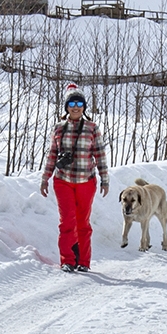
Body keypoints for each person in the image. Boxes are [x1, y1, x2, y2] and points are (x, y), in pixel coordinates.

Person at [40, 84, 110, 272]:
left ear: (84, 106)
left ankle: (84, 261)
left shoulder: (92, 128)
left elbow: (100, 155)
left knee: (83, 223)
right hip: (63, 181)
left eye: (79, 102)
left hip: (86, 181)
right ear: (66, 106)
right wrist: (45, 178)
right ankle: (67, 260)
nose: (76, 106)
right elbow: (52, 155)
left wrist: (105, 179)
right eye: (72, 103)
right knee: (67, 222)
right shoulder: (59, 128)